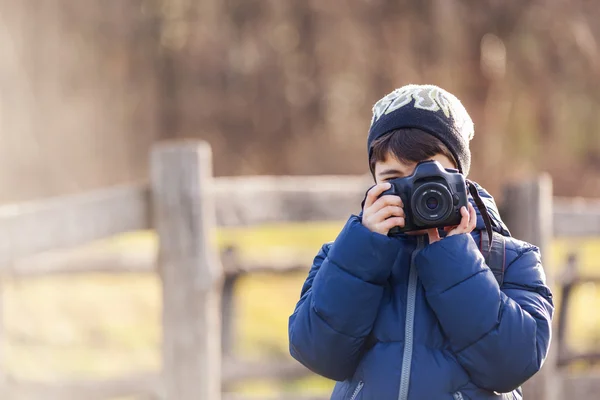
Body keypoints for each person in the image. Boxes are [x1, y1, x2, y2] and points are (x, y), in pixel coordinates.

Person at [288, 84, 554, 399]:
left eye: (430, 175)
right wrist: (364, 251)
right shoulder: (343, 256)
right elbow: (316, 352)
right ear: (374, 181)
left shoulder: (510, 259)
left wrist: (454, 258)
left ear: (460, 177)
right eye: (393, 178)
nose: (416, 191)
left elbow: (514, 364)